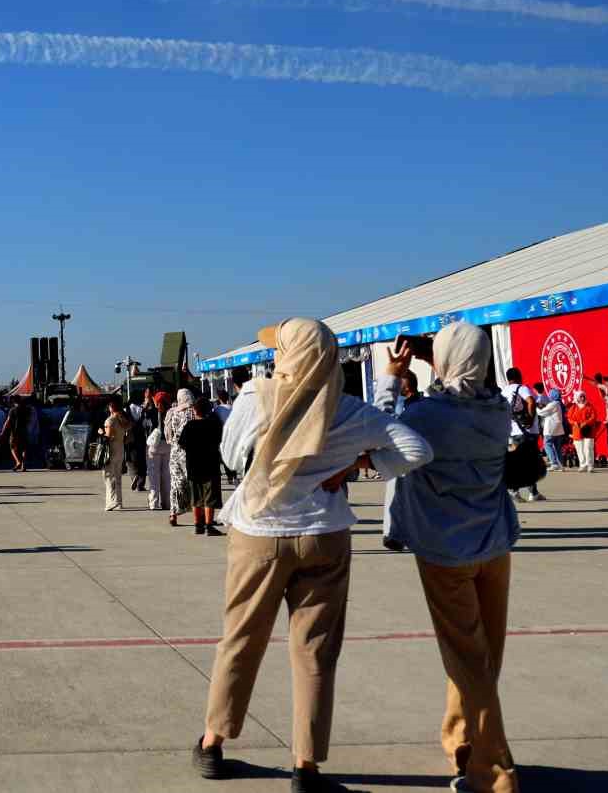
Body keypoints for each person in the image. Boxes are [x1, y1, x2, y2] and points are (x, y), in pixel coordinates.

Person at [195, 318, 432, 792]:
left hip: (260, 533)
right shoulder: (347, 408)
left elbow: (231, 455)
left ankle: (213, 742)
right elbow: (416, 450)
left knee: (241, 639)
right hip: (324, 534)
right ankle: (306, 765)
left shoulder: (255, 397)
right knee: (315, 653)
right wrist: (361, 462)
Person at [376, 325, 521, 793]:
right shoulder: (497, 410)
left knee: (468, 662)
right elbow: (468, 388)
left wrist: (392, 376)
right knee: (483, 658)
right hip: (493, 544)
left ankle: (495, 774)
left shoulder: (426, 416)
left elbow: (377, 438)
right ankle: (462, 741)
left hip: (444, 550)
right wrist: (437, 361)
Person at [182, 397, 225, 536]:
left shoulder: (189, 426)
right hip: (210, 465)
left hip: (193, 466)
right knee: (210, 497)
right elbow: (221, 440)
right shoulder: (214, 425)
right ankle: (209, 525)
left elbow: (182, 444)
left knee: (196, 497)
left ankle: (198, 525)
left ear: (195, 410)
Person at [502, 369, 543, 502]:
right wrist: (530, 419)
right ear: (519, 376)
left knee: (520, 461)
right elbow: (531, 401)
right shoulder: (522, 388)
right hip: (526, 432)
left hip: (512, 431)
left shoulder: (504, 391)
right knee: (529, 462)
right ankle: (520, 492)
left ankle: (529, 492)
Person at [164, 390, 199, 527]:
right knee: (193, 483)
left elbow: (168, 435)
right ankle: (198, 517)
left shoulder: (172, 413)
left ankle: (173, 514)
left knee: (175, 483)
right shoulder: (192, 412)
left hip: (174, 452)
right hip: (189, 452)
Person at [99, 398, 130, 511]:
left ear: (111, 407)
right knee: (117, 476)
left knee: (108, 476)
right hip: (120, 449)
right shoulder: (123, 420)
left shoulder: (110, 420)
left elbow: (108, 436)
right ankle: (119, 502)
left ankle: (112, 502)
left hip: (111, 450)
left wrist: (101, 432)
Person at [145, 402, 171, 511]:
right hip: (167, 444)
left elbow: (145, 425)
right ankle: (167, 502)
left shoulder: (151, 412)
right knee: (166, 475)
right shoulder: (171, 412)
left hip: (154, 445)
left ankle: (154, 503)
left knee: (154, 475)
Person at [566, 391, 598, 473]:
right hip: (577, 430)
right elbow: (569, 418)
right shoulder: (573, 407)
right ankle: (583, 464)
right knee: (579, 448)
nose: (582, 398)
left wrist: (586, 423)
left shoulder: (589, 406)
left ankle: (590, 465)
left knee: (588, 448)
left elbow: (594, 416)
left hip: (588, 431)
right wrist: (574, 422)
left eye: (583, 396)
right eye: (581, 396)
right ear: (577, 397)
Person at [537, 388, 566, 471]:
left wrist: (536, 407)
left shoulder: (553, 404)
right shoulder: (559, 404)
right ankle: (561, 464)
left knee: (547, 444)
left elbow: (542, 412)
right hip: (558, 429)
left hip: (551, 428)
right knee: (557, 447)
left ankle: (554, 463)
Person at [0, 401, 27, 471]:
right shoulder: (26, 410)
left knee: (12, 447)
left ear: (14, 402)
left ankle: (18, 461)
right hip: (24, 431)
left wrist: (3, 431)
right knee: (23, 448)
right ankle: (23, 465)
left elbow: (7, 421)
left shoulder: (12, 410)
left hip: (14, 432)